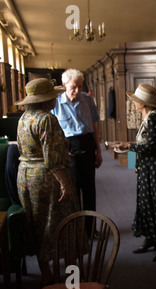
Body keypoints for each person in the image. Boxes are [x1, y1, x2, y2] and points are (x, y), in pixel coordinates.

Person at [15, 78, 79, 285]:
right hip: (48, 179)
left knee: (38, 225)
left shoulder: (24, 118)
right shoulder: (47, 119)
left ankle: (47, 275)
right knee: (63, 224)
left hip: (26, 177)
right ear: (48, 100)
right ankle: (72, 279)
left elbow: (29, 150)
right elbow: (51, 160)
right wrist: (65, 184)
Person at [113, 83, 156, 262]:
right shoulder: (149, 116)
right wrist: (130, 146)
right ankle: (150, 238)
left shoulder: (155, 117)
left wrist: (128, 147)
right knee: (146, 202)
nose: (133, 103)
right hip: (149, 168)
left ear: (144, 103)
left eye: (136, 100)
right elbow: (147, 143)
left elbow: (151, 146)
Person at [51, 69, 102, 233]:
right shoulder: (56, 102)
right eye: (74, 87)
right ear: (64, 84)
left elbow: (94, 126)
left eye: (80, 87)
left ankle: (91, 228)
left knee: (89, 189)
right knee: (73, 190)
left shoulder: (87, 99)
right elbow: (52, 131)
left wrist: (99, 151)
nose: (78, 91)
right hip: (68, 146)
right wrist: (61, 148)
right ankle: (78, 230)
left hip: (87, 143)